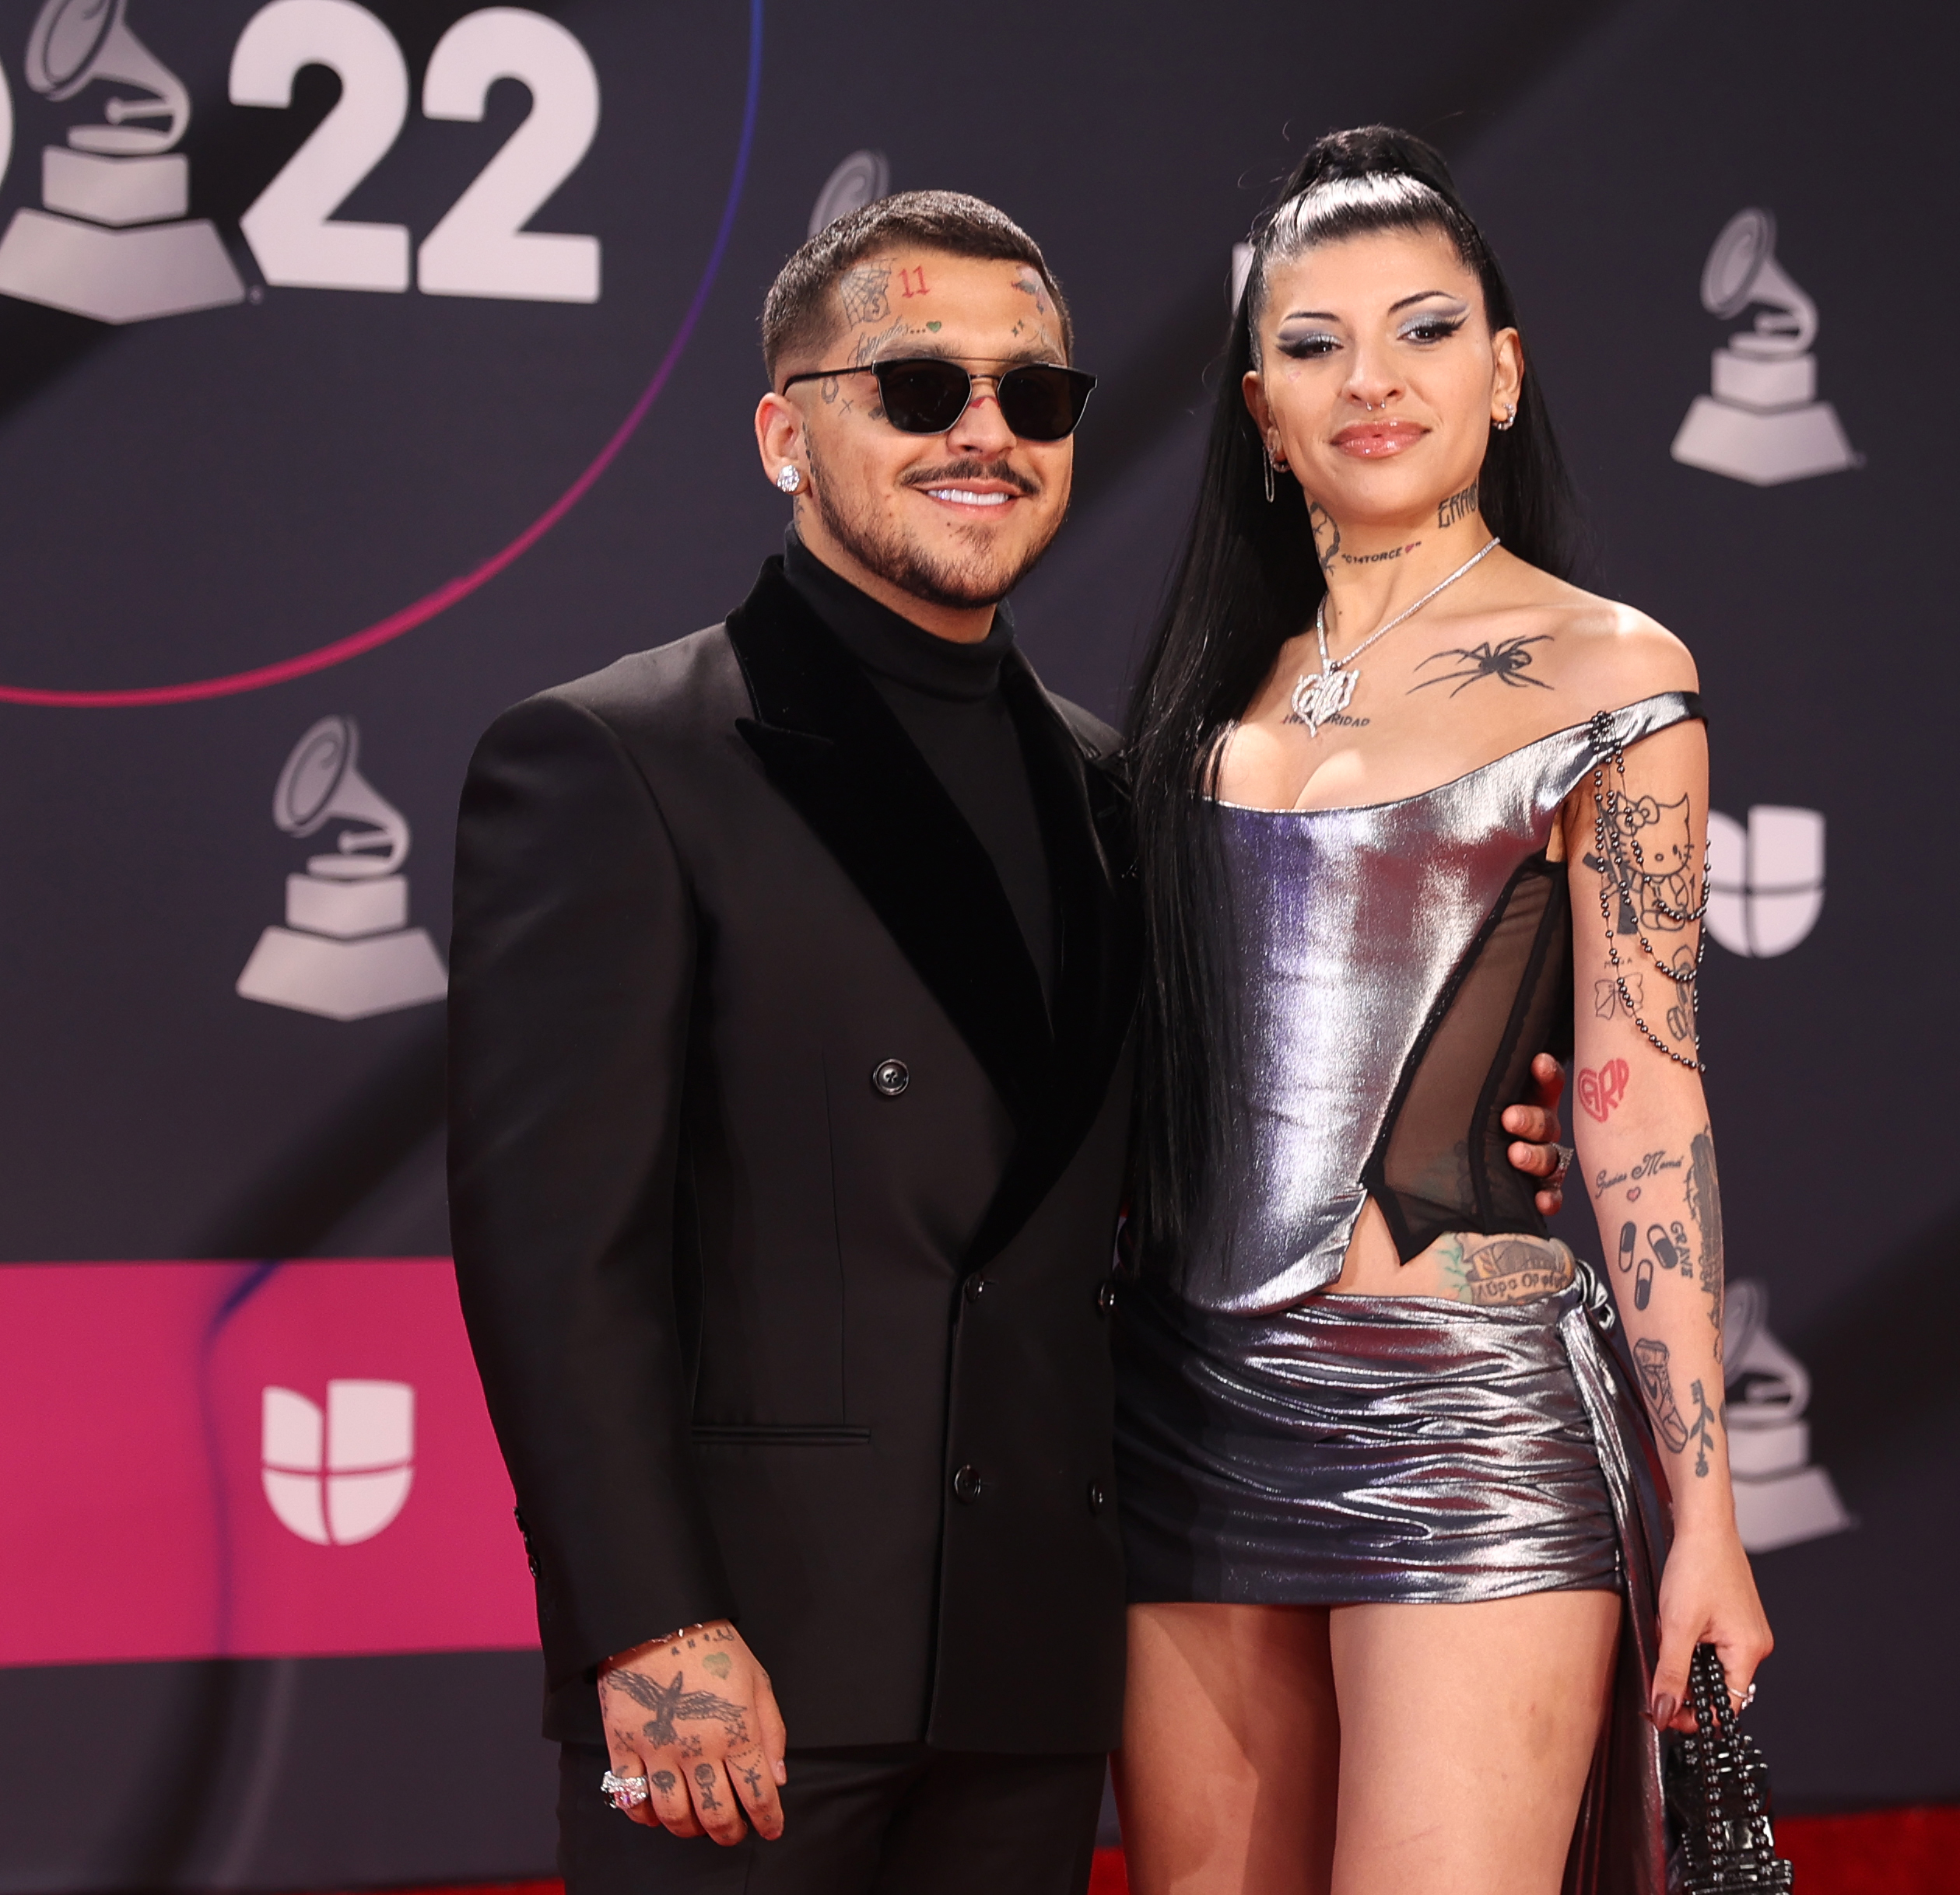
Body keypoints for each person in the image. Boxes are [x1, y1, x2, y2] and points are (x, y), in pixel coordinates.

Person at [447, 189, 1571, 1895]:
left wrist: (1474, 1136)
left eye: (1032, 398)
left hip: (1028, 1674)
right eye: (917, 389)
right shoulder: (618, 763)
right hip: (747, 1669)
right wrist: (646, 1625)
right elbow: (555, 1260)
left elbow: (1213, 1146)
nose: (985, 433)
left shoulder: (1126, 790)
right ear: (783, 432)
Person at [1112, 129, 1775, 1895]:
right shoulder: (1197, 706)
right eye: (1312, 344)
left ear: (1501, 373)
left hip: (1464, 1415)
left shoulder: (1613, 673)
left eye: (1420, 330)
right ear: (1260, 407)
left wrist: (1704, 1514)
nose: (1370, 380)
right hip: (1185, 1413)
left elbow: (1637, 1092)